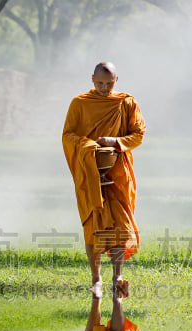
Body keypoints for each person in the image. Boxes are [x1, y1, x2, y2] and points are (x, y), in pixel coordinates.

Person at [62, 61, 146, 299]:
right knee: (94, 224)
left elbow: (139, 133)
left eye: (109, 84)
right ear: (92, 79)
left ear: (116, 81)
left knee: (120, 225)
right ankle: (96, 277)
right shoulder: (80, 104)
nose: (104, 88)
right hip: (89, 174)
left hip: (119, 172)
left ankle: (117, 275)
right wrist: (89, 146)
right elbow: (68, 135)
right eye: (100, 83)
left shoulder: (126, 103)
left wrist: (115, 142)